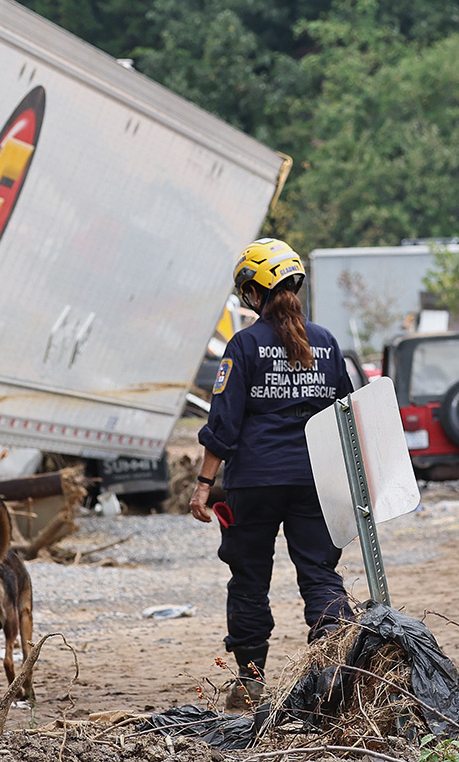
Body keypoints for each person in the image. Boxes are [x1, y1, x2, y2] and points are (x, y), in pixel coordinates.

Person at [190, 237, 356, 708]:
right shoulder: (325, 343)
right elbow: (345, 413)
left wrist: (203, 485)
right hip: (314, 481)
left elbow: (223, 423)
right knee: (321, 575)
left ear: (256, 291)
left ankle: (249, 683)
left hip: (254, 483)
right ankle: (334, 679)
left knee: (249, 578)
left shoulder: (243, 344)